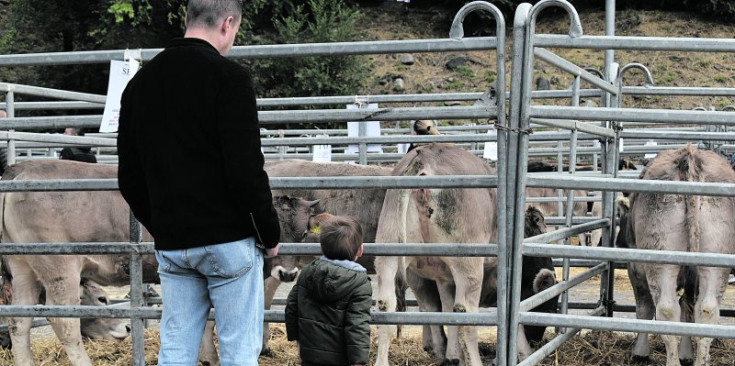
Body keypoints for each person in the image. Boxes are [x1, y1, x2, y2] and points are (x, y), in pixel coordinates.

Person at [116, 1, 281, 365]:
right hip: (229, 241)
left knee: (175, 347)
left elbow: (128, 177)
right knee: (239, 349)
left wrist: (162, 227)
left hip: (174, 245)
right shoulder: (230, 79)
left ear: (187, 19)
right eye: (235, 31)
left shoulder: (138, 86)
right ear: (227, 23)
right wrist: (269, 235)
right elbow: (246, 172)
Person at [285, 215, 372, 366]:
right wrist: (359, 361)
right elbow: (357, 324)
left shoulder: (307, 272)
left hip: (309, 357)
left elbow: (292, 308)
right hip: (341, 360)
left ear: (321, 248)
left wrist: (298, 343)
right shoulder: (359, 282)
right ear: (360, 250)